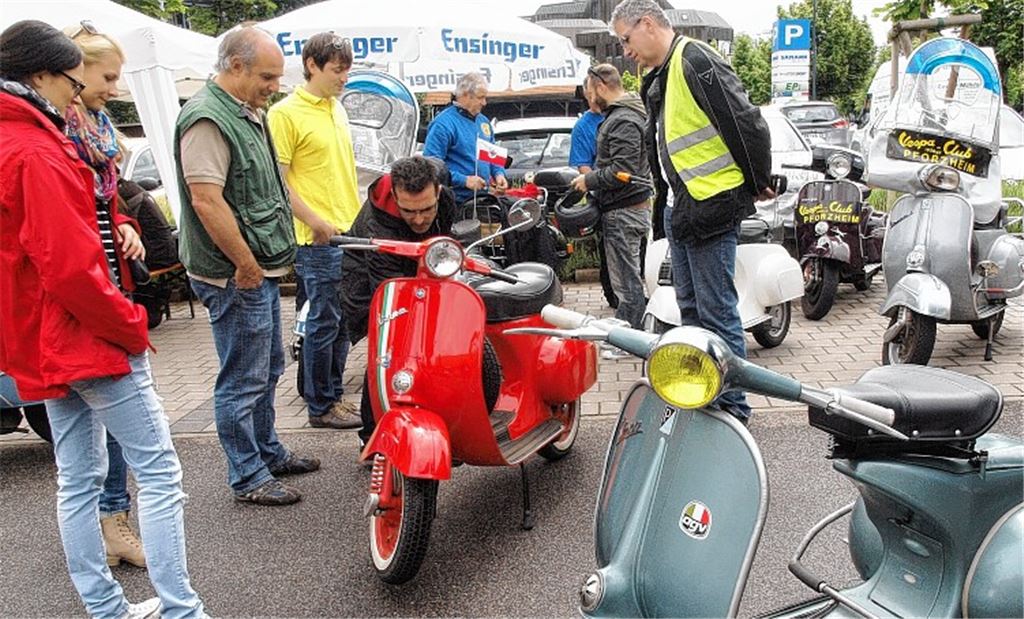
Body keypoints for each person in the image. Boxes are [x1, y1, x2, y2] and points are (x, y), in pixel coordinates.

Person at [0, 20, 206, 618]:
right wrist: (129, 325)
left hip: (43, 336)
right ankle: (179, 609)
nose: (79, 91)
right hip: (82, 334)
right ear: (41, 73)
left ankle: (107, 609)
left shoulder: (21, 139)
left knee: (78, 478)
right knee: (160, 473)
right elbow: (68, 266)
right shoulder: (37, 148)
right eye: (74, 79)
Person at [610, 0, 774, 423]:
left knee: (716, 313)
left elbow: (746, 123)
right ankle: (709, 399)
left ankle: (734, 411)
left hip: (710, 207)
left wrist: (759, 181)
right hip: (684, 211)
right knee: (693, 315)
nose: (625, 50)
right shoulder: (661, 73)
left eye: (626, 39)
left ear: (647, 25)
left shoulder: (694, 59)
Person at [174, 26, 319, 506]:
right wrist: (246, 265)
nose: (274, 86)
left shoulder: (248, 113)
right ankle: (248, 475)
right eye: (266, 76)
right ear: (234, 66)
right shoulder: (207, 118)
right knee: (243, 377)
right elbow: (205, 200)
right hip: (234, 272)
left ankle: (268, 451)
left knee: (267, 365)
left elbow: (272, 185)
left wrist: (314, 223)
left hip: (254, 268)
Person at [63, 22, 148, 569]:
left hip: (108, 282)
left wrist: (122, 221)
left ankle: (109, 526)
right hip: (84, 295)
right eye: (108, 77)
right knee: (139, 451)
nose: (115, 89)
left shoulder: (91, 127)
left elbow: (98, 205)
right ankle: (111, 524)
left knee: (89, 448)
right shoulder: (53, 133)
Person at [268, 33, 361, 430]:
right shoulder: (285, 114)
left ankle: (332, 395)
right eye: (337, 70)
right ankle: (321, 404)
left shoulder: (335, 108)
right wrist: (315, 222)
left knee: (342, 322)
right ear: (312, 65)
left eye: (346, 70)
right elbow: (280, 182)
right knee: (325, 322)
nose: (344, 78)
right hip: (319, 238)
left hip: (349, 230)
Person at [339, 156, 456, 449]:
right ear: (394, 197)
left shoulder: (446, 198)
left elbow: (442, 241)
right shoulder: (377, 225)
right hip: (366, 279)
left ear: (438, 192)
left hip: (412, 264)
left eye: (426, 209)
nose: (419, 219)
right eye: (409, 211)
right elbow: (389, 291)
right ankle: (372, 436)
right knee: (389, 348)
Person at [570, 64, 652, 340]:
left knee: (627, 283)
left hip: (623, 211)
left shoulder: (623, 120)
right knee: (628, 280)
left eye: (590, 92)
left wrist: (589, 180)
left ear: (602, 86)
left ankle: (632, 340)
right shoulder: (628, 114)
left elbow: (622, 171)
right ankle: (631, 334)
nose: (590, 99)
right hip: (630, 208)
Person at [423, 72, 507, 204]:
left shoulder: (484, 122)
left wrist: (499, 174)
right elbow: (431, 168)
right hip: (455, 202)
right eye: (480, 97)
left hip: (483, 199)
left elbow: (493, 155)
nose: (484, 103)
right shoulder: (442, 124)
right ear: (465, 95)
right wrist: (464, 180)